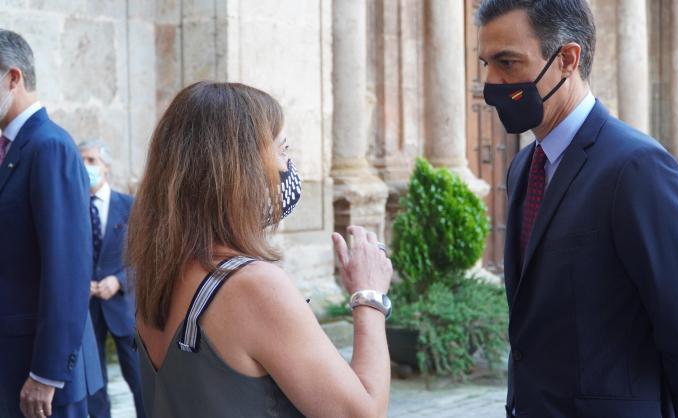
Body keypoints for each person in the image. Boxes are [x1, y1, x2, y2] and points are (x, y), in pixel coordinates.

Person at [477, 0, 678, 417]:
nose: (490, 84)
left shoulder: (638, 169)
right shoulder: (523, 167)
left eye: (507, 62)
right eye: (484, 63)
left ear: (567, 60)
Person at [130, 81, 393, 418]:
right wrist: (369, 297)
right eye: (282, 149)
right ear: (241, 168)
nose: (287, 166)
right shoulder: (254, 286)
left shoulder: (159, 272)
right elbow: (363, 414)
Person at [0, 29, 103, 417]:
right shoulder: (13, 146)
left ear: (13, 77)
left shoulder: (48, 145)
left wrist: (47, 373)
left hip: (41, 375)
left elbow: (67, 268)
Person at [78, 140, 144, 418]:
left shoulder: (129, 206)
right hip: (86, 309)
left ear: (106, 167)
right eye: (81, 160)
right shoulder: (72, 206)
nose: (86, 166)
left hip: (123, 308)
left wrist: (118, 280)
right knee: (95, 385)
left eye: (92, 161)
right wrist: (81, 283)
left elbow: (145, 257)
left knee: (139, 380)